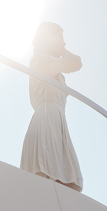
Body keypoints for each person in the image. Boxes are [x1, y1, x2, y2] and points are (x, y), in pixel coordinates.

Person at [20, 21, 84, 191]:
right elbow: (76, 63)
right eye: (59, 37)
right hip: (48, 117)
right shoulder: (41, 61)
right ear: (48, 38)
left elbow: (76, 63)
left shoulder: (50, 65)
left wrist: (60, 47)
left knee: (70, 183)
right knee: (48, 178)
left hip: (57, 120)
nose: (63, 42)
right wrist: (61, 50)